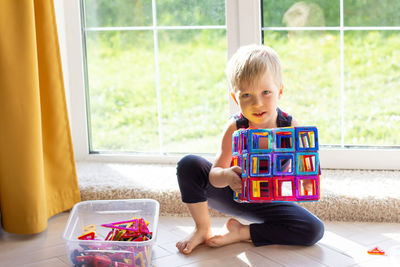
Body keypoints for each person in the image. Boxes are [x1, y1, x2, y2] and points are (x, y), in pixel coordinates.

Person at [176, 44, 324, 254]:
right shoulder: (236, 127)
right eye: (247, 95)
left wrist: (309, 178)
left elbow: (308, 166)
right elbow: (214, 175)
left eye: (266, 92)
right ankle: (202, 228)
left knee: (314, 230)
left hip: (268, 201)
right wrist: (227, 176)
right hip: (234, 193)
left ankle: (243, 232)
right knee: (189, 164)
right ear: (236, 98)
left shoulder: (290, 127)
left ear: (280, 91)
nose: (257, 103)